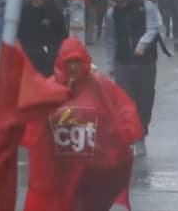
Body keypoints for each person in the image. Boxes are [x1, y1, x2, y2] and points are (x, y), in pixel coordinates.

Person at [21, 38, 143, 211]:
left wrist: (124, 134)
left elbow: (122, 108)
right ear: (61, 62)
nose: (73, 67)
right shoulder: (48, 90)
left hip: (91, 172)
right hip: (59, 171)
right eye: (69, 62)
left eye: (77, 61)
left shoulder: (99, 86)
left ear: (85, 61)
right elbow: (30, 124)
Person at [104, 0, 162, 157]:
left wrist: (142, 45)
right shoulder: (112, 15)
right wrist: (111, 63)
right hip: (123, 63)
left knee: (145, 101)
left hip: (145, 64)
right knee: (124, 103)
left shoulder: (146, 7)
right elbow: (111, 40)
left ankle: (141, 135)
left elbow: (153, 28)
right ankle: (128, 137)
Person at [18, 0, 68, 77]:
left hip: (48, 57)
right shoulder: (25, 10)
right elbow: (20, 34)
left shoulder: (54, 12)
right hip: (28, 55)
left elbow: (62, 35)